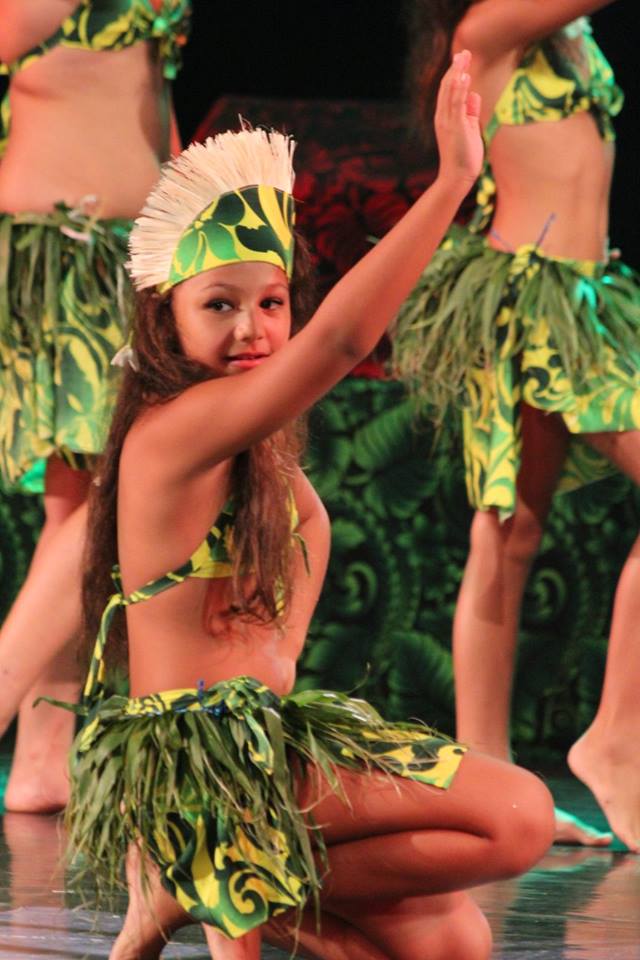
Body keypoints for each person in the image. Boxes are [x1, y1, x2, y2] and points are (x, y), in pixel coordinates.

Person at [57, 56, 554, 960]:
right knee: (520, 814)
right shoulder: (174, 430)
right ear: (166, 318)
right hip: (201, 771)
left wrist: (278, 658)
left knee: (453, 940)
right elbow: (342, 341)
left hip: (255, 752)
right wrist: (451, 184)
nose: (252, 329)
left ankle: (228, 889)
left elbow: (304, 542)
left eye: (272, 303)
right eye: (220, 305)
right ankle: (204, 878)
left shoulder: (254, 446)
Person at [393, 0, 640, 850]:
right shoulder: (488, 28)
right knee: (506, 532)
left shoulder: (567, 35)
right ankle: (515, 774)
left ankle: (608, 736)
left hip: (592, 300)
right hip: (528, 301)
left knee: (510, 534)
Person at [0, 0, 190, 813]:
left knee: (81, 508)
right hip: (57, 251)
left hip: (134, 256)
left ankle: (43, 758)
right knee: (112, 488)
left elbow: (153, 99)